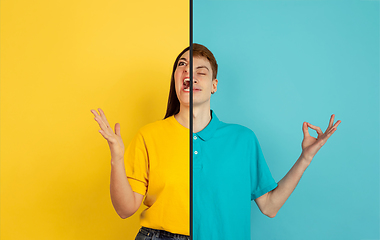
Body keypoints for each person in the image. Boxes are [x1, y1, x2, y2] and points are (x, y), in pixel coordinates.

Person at [91, 44, 341, 240]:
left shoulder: (243, 139)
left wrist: (306, 157)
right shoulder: (149, 136)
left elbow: (270, 206)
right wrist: (117, 157)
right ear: (176, 80)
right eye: (183, 67)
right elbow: (125, 209)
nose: (191, 73)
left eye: (201, 71)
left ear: (214, 86)